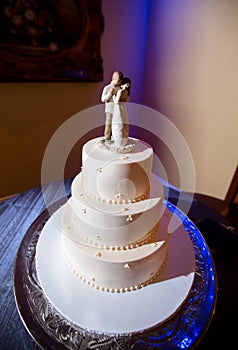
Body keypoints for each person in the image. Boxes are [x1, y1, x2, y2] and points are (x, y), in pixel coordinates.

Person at [101, 71, 124, 143]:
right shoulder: (107, 88)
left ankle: (115, 138)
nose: (119, 82)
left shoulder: (119, 88)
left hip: (117, 111)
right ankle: (107, 138)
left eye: (120, 81)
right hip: (110, 110)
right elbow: (103, 99)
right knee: (108, 124)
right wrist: (110, 94)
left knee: (116, 125)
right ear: (114, 79)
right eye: (118, 80)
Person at [112, 77, 131, 147]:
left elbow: (116, 102)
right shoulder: (126, 92)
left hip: (118, 108)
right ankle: (122, 141)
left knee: (119, 123)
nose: (127, 84)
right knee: (122, 122)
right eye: (127, 83)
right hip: (123, 108)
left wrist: (113, 95)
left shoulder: (121, 91)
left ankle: (119, 141)